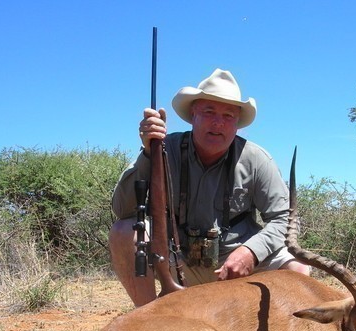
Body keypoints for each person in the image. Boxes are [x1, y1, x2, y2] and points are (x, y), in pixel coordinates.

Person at [110, 69, 309, 306]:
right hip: (177, 259)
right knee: (123, 232)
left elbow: (285, 219)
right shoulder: (164, 148)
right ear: (193, 114)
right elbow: (122, 210)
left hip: (235, 266)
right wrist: (147, 152)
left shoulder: (256, 159)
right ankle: (147, 318)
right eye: (209, 112)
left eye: (228, 115)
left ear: (237, 124)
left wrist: (251, 253)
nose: (218, 123)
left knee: (297, 267)